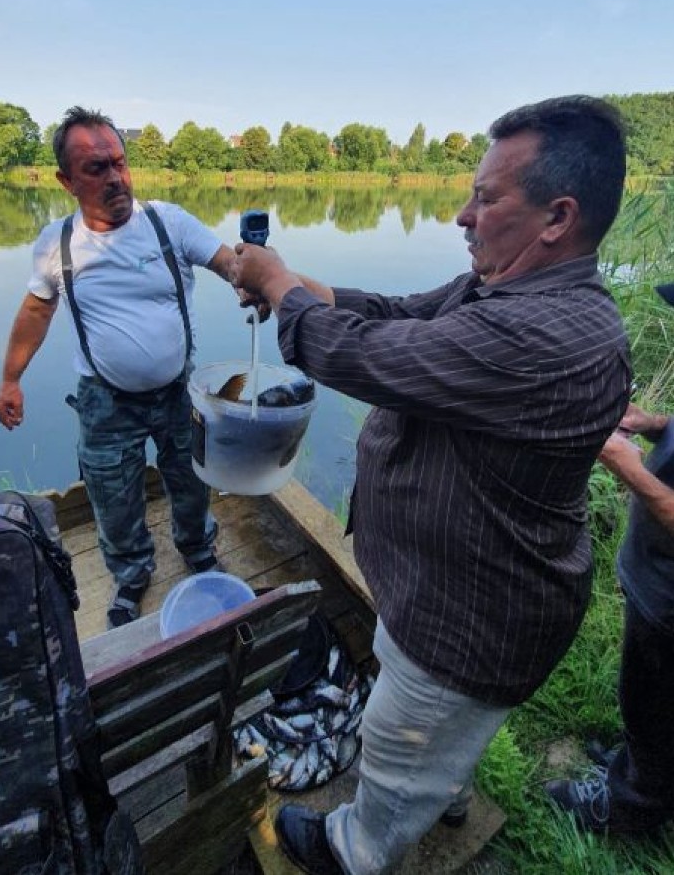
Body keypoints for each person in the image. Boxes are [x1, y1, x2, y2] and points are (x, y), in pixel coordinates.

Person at [230, 95, 631, 874]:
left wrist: (282, 289)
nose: (461, 215)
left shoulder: (543, 333)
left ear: (557, 218)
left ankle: (358, 849)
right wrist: (304, 287)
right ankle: (441, 790)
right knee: (428, 728)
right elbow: (397, 315)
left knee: (396, 742)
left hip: (473, 615)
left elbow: (364, 359)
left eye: (485, 199)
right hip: (438, 589)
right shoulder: (508, 292)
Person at [0, 106, 244, 628]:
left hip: (179, 391)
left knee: (193, 477)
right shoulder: (56, 244)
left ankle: (197, 549)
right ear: (67, 181)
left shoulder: (167, 223)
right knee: (113, 496)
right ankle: (132, 575)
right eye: (96, 169)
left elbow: (229, 262)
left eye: (119, 163)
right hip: (104, 402)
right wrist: (11, 379)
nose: (114, 178)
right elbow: (36, 312)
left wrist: (257, 279)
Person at [546, 285, 674, 835]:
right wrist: (654, 424)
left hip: (670, 603)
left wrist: (631, 469)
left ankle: (628, 809)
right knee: (648, 704)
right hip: (654, 582)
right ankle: (641, 767)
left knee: (654, 702)